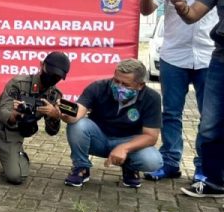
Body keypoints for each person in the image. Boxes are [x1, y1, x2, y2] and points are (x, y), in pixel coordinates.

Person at [140, 0, 221, 182]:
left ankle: (203, 167)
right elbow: (146, 11)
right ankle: (170, 162)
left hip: (210, 57)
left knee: (209, 118)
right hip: (173, 55)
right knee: (171, 113)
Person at [0, 52, 70, 184]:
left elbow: (52, 132)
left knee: (16, 177)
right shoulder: (18, 83)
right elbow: (3, 113)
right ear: (42, 65)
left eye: (57, 77)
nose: (53, 78)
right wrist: (15, 115)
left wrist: (55, 116)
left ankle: (15, 157)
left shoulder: (54, 96)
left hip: (11, 136)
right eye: (51, 72)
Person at [62, 59, 163, 188]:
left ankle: (130, 167)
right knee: (78, 125)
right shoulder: (98, 87)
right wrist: (64, 114)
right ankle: (81, 167)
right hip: (99, 139)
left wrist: (124, 148)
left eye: (125, 84)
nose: (118, 86)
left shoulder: (152, 97)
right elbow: (77, 113)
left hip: (128, 142)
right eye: (116, 80)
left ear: (140, 85)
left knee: (153, 161)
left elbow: (151, 137)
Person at [170, 0, 224, 198]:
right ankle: (213, 182)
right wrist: (181, 5)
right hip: (221, 59)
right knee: (211, 124)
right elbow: (192, 15)